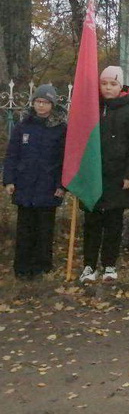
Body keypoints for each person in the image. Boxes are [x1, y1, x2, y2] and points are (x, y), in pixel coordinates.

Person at [78, 66, 129, 283]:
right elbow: (79, 139)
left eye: (113, 84)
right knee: (92, 222)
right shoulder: (91, 107)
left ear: (121, 86)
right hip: (93, 176)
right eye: (104, 83)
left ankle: (109, 264)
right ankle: (89, 265)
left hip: (118, 177)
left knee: (113, 223)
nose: (108, 88)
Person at [3, 84, 67, 280]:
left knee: (44, 230)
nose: (41, 106)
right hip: (25, 186)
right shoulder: (23, 126)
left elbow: (65, 159)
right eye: (38, 102)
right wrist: (9, 180)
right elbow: (12, 155)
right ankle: (22, 268)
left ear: (53, 105)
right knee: (24, 229)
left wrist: (62, 185)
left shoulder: (60, 128)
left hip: (48, 187)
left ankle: (42, 267)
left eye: (46, 102)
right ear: (33, 103)